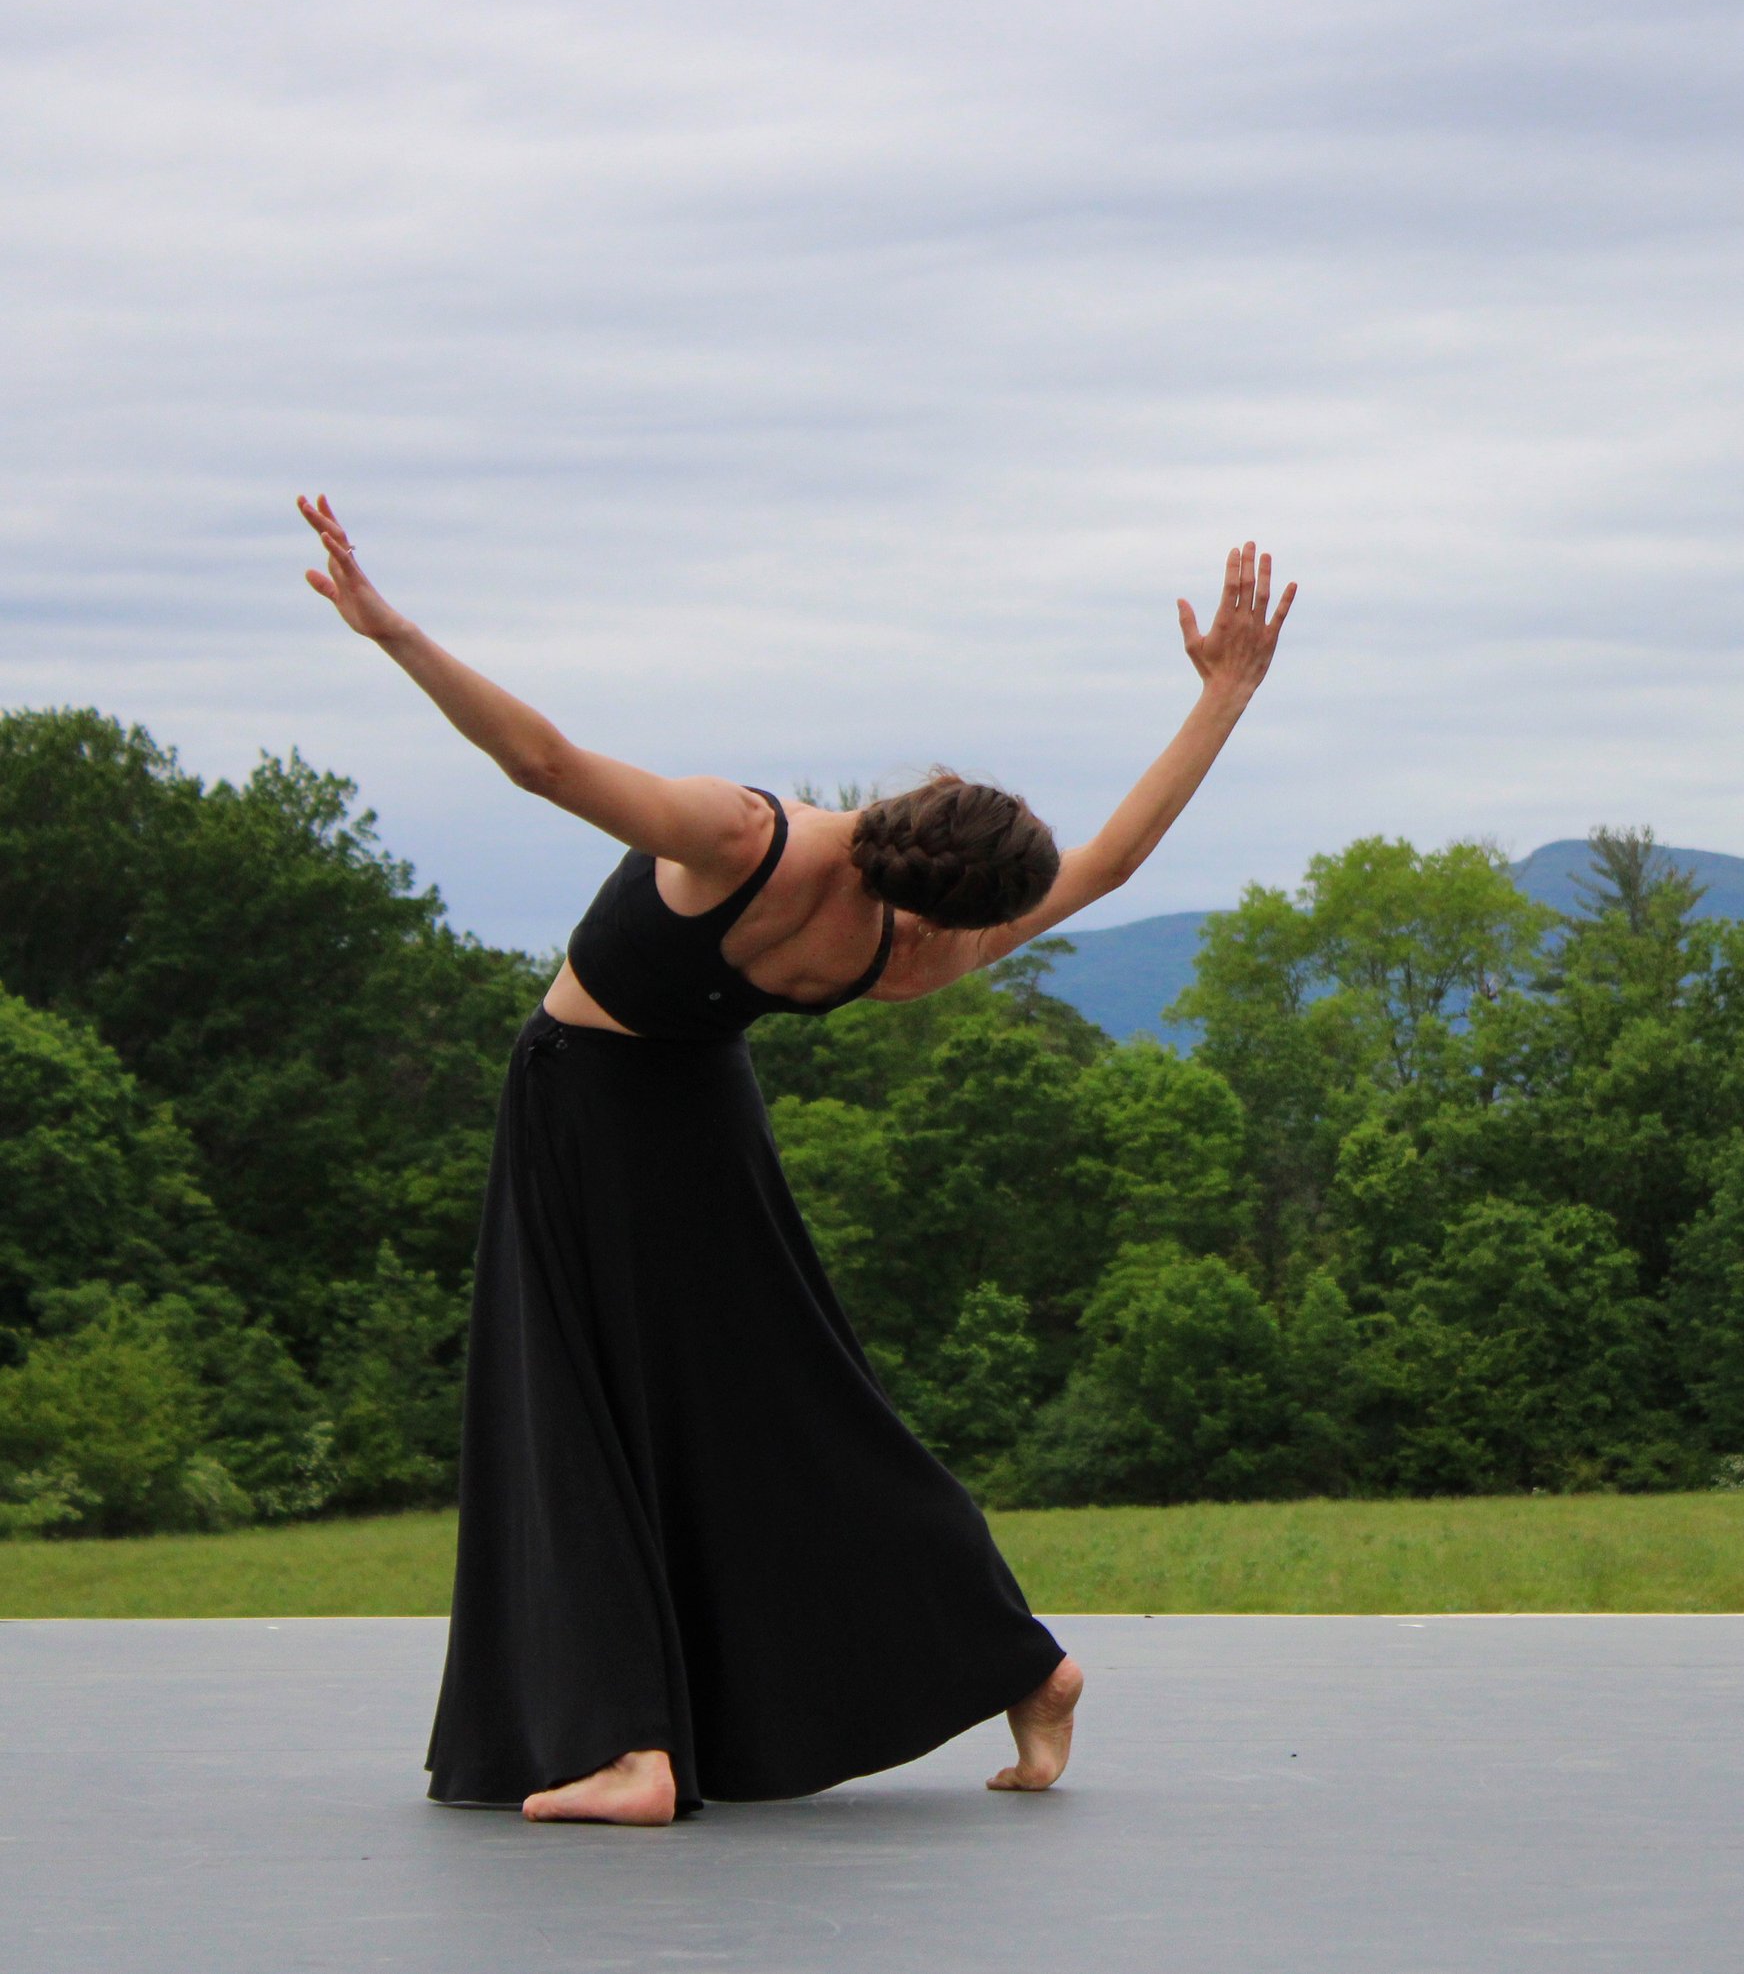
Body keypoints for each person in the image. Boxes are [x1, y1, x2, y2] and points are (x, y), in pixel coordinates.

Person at [296, 493, 1296, 1825]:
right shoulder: (921, 950)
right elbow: (1108, 867)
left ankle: (632, 1751)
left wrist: (392, 629)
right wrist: (1227, 691)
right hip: (705, 1113)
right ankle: (1027, 1665)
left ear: (917, 805)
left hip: (587, 1101)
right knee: (798, 1406)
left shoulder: (744, 837)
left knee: (574, 1406)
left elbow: (541, 761)